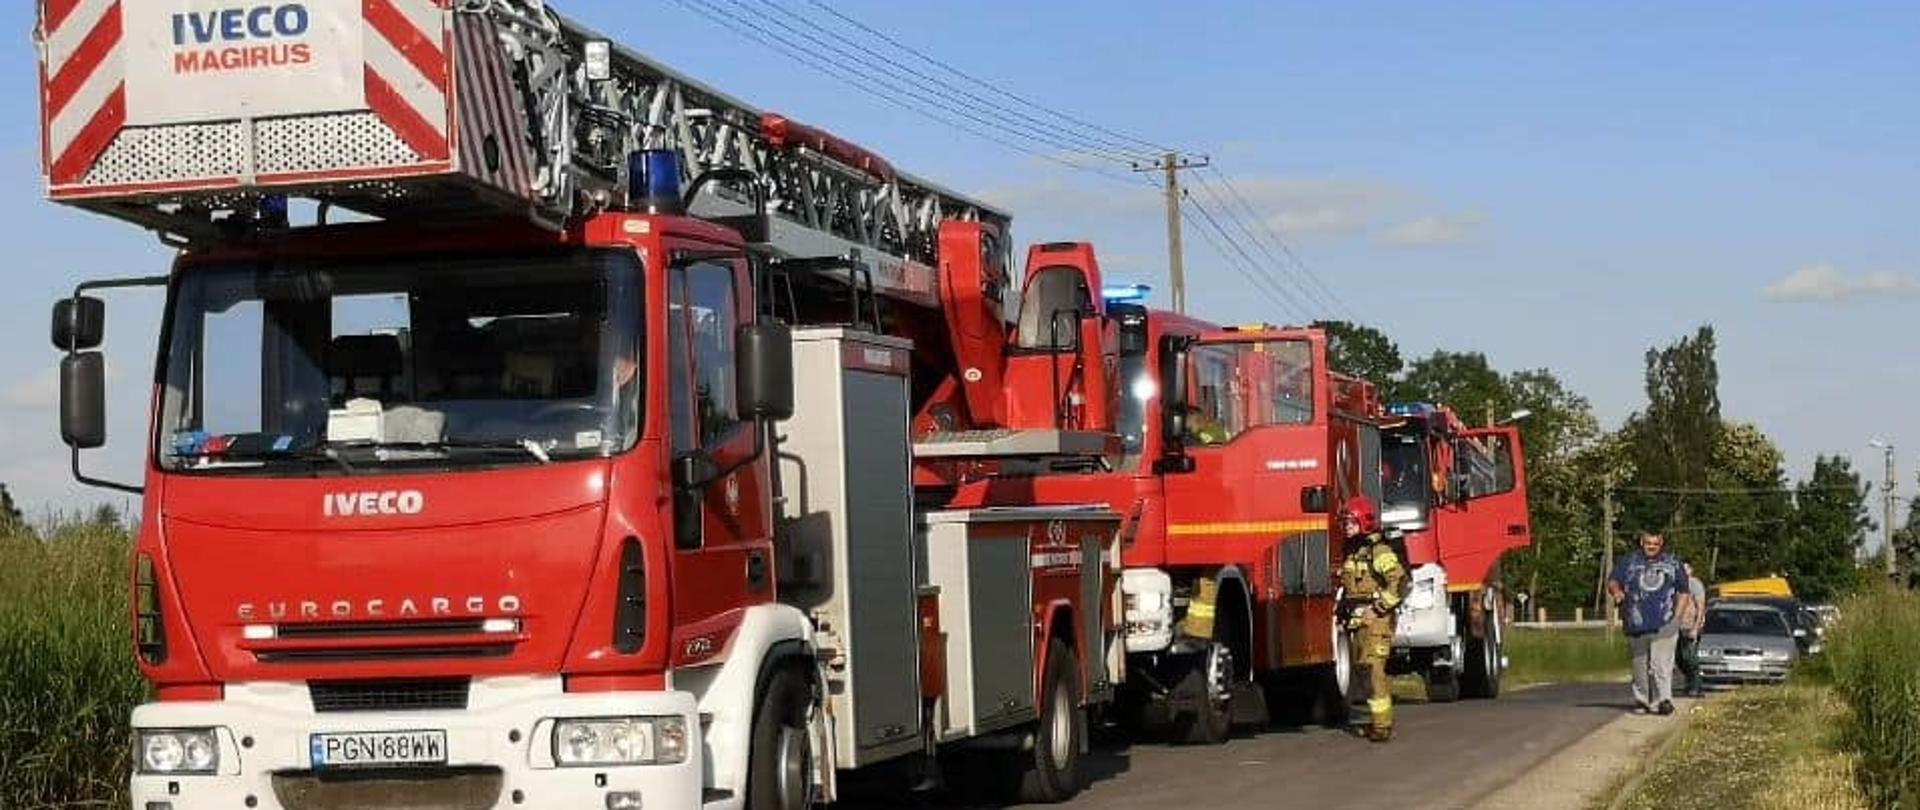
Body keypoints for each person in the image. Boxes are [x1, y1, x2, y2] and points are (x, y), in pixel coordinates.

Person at [1338, 496, 1406, 742]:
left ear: (1364, 521)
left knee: (1374, 671)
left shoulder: (1379, 551)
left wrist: (1377, 609)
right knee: (1365, 673)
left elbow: (1399, 581)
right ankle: (1378, 721)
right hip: (1359, 623)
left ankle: (1382, 726)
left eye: (1350, 522)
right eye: (1344, 522)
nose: (1346, 526)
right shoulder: (1353, 551)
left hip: (1377, 622)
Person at [1606, 532, 1692, 715]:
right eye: (1648, 543)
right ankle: (1642, 700)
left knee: (1661, 663)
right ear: (1641, 542)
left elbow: (1684, 591)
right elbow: (1613, 581)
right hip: (1635, 621)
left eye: (1655, 543)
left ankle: (1664, 700)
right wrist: (1617, 592)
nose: (1652, 546)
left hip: (1665, 621)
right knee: (1639, 663)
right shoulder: (1628, 561)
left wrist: (1677, 617)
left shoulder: (1673, 563)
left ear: (1661, 544)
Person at [1675, 564, 1708, 698]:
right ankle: (1690, 682)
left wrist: (1696, 627)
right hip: (1676, 626)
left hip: (1691, 625)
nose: (1683, 571)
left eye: (1686, 568)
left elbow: (1700, 607)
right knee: (1679, 658)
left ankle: (1697, 686)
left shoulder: (1694, 584)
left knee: (1689, 656)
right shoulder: (1674, 584)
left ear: (1691, 570)